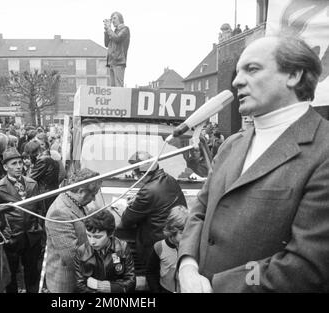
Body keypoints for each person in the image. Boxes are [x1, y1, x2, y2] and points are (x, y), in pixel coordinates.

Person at [178, 35, 329, 293]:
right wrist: (187, 266)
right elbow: (200, 211)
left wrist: (215, 285)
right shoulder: (230, 145)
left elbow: (306, 266)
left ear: (293, 75)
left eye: (252, 69)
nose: (236, 81)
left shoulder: (323, 150)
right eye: (237, 71)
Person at [119, 151, 187, 267]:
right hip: (172, 241)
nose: (136, 178)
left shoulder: (148, 191)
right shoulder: (169, 179)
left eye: (136, 175)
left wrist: (126, 208)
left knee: (153, 278)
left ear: (143, 174)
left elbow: (126, 220)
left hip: (155, 246)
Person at [0, 148, 44, 293]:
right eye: (14, 163)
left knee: (32, 271)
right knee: (12, 273)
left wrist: (38, 227)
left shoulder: (32, 184)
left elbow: (40, 209)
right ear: (5, 167)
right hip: (13, 238)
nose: (18, 166)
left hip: (32, 236)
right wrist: (6, 234)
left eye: (20, 162)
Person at [45, 168, 101, 293]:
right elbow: (71, 257)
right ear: (81, 191)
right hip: (66, 283)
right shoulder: (59, 212)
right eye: (93, 195)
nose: (93, 199)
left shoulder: (74, 202)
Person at [74, 209, 136, 293]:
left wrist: (107, 287)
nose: (92, 242)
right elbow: (79, 285)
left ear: (111, 234)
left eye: (98, 237)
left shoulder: (122, 248)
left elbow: (131, 282)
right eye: (89, 235)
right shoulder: (81, 251)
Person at [146, 205, 188, 293]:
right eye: (181, 233)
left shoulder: (190, 248)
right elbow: (151, 273)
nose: (186, 236)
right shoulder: (159, 247)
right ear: (172, 230)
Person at [24, 140, 59, 210]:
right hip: (50, 192)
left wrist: (30, 166)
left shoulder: (42, 160)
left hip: (45, 194)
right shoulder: (47, 157)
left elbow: (30, 179)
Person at [104, 11, 130, 87]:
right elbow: (106, 43)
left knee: (118, 86)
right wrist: (106, 30)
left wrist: (109, 29)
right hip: (112, 62)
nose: (113, 20)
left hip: (119, 62)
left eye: (114, 18)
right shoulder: (113, 32)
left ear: (120, 19)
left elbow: (117, 38)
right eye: (112, 19)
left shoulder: (125, 29)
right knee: (113, 88)